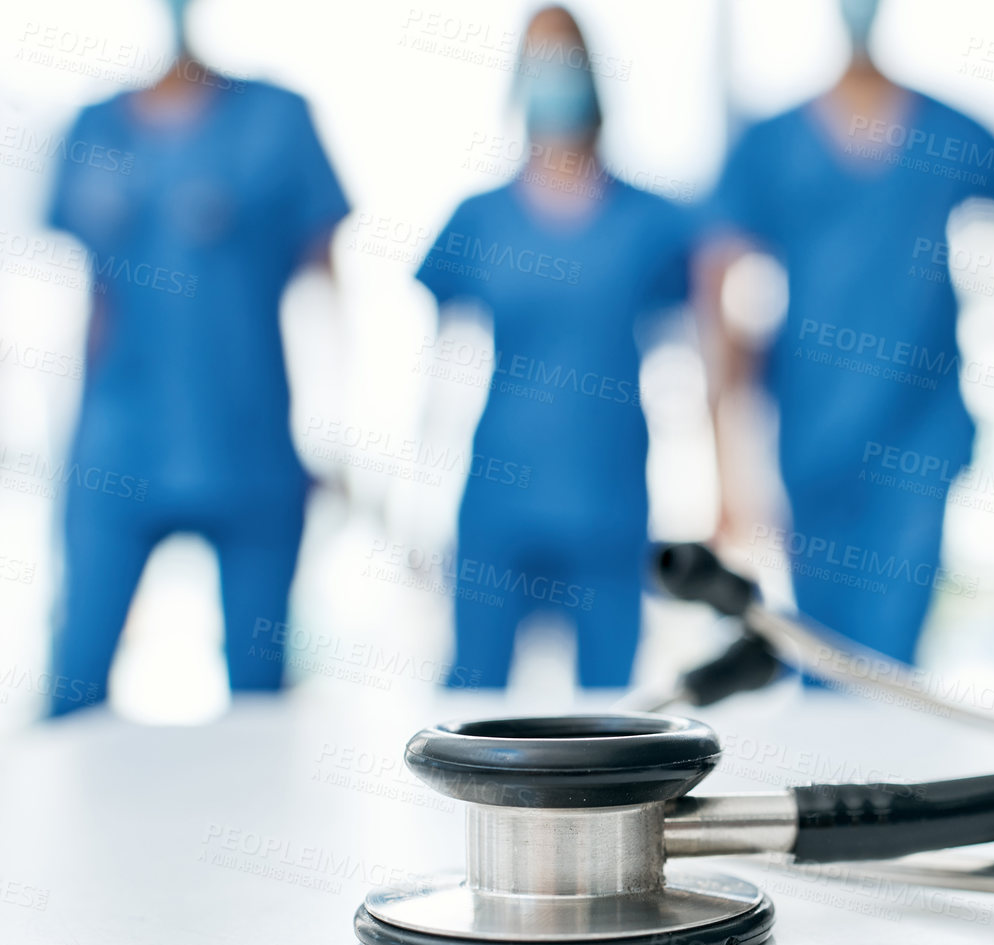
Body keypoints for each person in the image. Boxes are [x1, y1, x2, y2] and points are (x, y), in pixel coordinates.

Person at [700, 0, 994, 666]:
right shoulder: (769, 145)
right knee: (820, 649)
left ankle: (889, 768)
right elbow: (720, 285)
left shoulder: (950, 132)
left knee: (889, 658)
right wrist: (722, 461)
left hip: (920, 429)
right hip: (810, 426)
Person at [45, 0, 348, 715]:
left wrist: (337, 432)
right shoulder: (93, 128)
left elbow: (326, 289)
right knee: (76, 679)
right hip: (117, 444)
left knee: (259, 696)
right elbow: (86, 302)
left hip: (250, 443)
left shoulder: (278, 119)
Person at [415, 6, 692, 690]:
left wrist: (704, 487)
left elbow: (689, 360)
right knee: (474, 698)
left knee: (611, 706)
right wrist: (412, 501)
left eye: (565, 63)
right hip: (497, 495)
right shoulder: (478, 220)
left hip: (610, 494)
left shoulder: (652, 223)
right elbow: (441, 366)